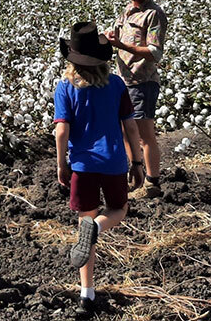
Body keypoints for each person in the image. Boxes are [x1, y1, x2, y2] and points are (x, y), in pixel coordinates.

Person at [54, 22, 144, 319]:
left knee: (84, 224)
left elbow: (61, 132)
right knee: (119, 209)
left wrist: (62, 164)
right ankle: (98, 228)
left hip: (82, 165)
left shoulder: (65, 87)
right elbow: (130, 126)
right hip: (114, 162)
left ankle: (86, 294)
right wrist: (138, 162)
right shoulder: (117, 84)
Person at [105, 0, 168, 198]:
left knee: (144, 134)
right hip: (124, 81)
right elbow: (120, 39)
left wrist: (121, 46)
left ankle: (153, 183)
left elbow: (154, 53)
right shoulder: (127, 11)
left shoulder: (154, 14)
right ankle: (135, 176)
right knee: (124, 131)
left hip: (142, 81)